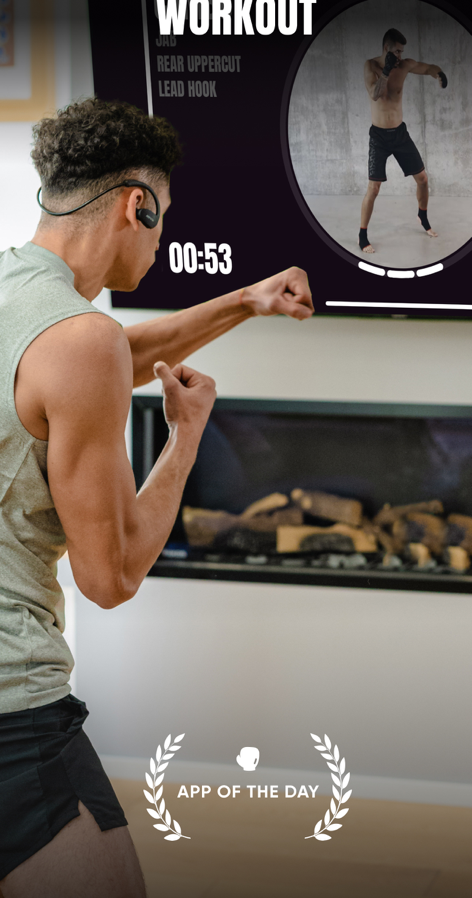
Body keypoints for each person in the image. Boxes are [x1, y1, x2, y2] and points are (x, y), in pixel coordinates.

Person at [0, 98, 314, 898]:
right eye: (163, 216)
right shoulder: (81, 340)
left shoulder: (20, 300)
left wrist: (245, 300)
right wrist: (185, 437)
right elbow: (110, 578)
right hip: (11, 709)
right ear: (137, 205)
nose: (162, 236)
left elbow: (99, 362)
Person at [360, 27, 447, 254]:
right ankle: (362, 235)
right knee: (374, 188)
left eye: (401, 52)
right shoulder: (371, 66)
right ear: (386, 48)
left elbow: (427, 67)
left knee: (423, 179)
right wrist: (386, 72)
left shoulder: (404, 65)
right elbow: (375, 94)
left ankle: (422, 216)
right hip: (379, 137)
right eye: (396, 51)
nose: (399, 56)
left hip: (400, 134)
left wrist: (439, 73)